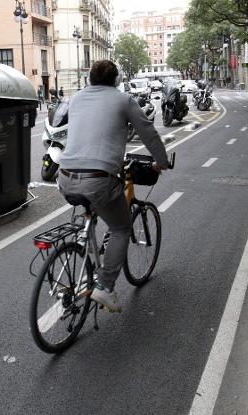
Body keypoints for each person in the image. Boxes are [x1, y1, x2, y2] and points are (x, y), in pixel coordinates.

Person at [58, 60, 168, 312]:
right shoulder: (123, 100)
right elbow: (148, 132)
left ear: (90, 79)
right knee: (121, 228)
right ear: (116, 80)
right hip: (98, 179)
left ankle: (88, 243)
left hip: (65, 176)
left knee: (94, 205)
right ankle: (106, 287)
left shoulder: (75, 99)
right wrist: (161, 162)